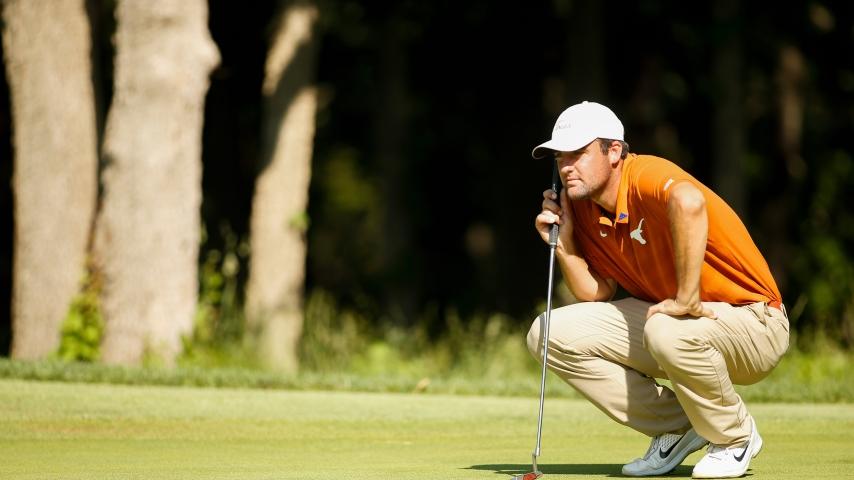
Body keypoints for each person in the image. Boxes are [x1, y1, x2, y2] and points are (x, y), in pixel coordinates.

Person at [528, 101, 789, 479]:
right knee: (547, 333)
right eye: (560, 157)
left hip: (756, 321)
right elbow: (596, 293)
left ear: (613, 151)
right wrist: (565, 244)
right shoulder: (583, 205)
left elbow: (689, 201)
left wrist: (687, 297)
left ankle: (735, 436)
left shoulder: (645, 175)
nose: (566, 166)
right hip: (673, 324)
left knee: (666, 328)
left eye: (578, 153)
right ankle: (680, 426)